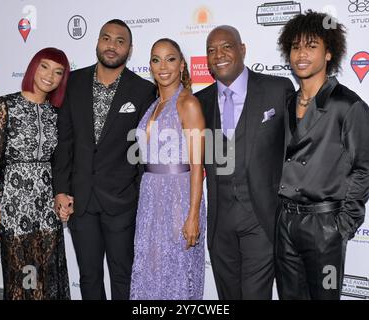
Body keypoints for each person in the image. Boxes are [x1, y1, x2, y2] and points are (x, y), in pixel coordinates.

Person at [52, 19, 156, 300]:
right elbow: (65, 142)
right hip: (81, 200)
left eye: (120, 41)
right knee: (89, 277)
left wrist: (137, 194)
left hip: (122, 202)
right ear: (97, 42)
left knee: (123, 276)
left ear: (130, 49)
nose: (112, 46)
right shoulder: (73, 83)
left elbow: (144, 151)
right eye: (106, 38)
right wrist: (61, 189)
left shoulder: (143, 90)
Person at [275, 10, 369, 300]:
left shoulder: (348, 105)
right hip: (285, 223)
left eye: (311, 45)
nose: (301, 53)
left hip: (324, 226)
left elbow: (364, 169)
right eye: (295, 46)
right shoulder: (287, 102)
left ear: (329, 53)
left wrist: (341, 227)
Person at [195, 25, 295, 300]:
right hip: (219, 222)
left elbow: (298, 148)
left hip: (261, 219)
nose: (219, 54)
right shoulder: (198, 102)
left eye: (226, 46)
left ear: (242, 49)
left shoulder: (277, 89)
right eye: (211, 50)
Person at [0, 47, 71, 300]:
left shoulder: (56, 113)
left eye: (58, 72)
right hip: (14, 204)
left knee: (46, 273)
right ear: (34, 67)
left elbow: (60, 162)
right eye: (44, 66)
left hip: (46, 205)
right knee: (22, 275)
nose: (49, 76)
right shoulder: (5, 106)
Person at [129, 38, 206, 300]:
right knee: (150, 272)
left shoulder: (188, 104)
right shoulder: (154, 105)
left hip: (178, 197)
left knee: (177, 273)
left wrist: (193, 214)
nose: (163, 66)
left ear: (182, 65)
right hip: (150, 198)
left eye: (170, 59)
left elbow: (197, 165)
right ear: (150, 66)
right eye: (156, 59)